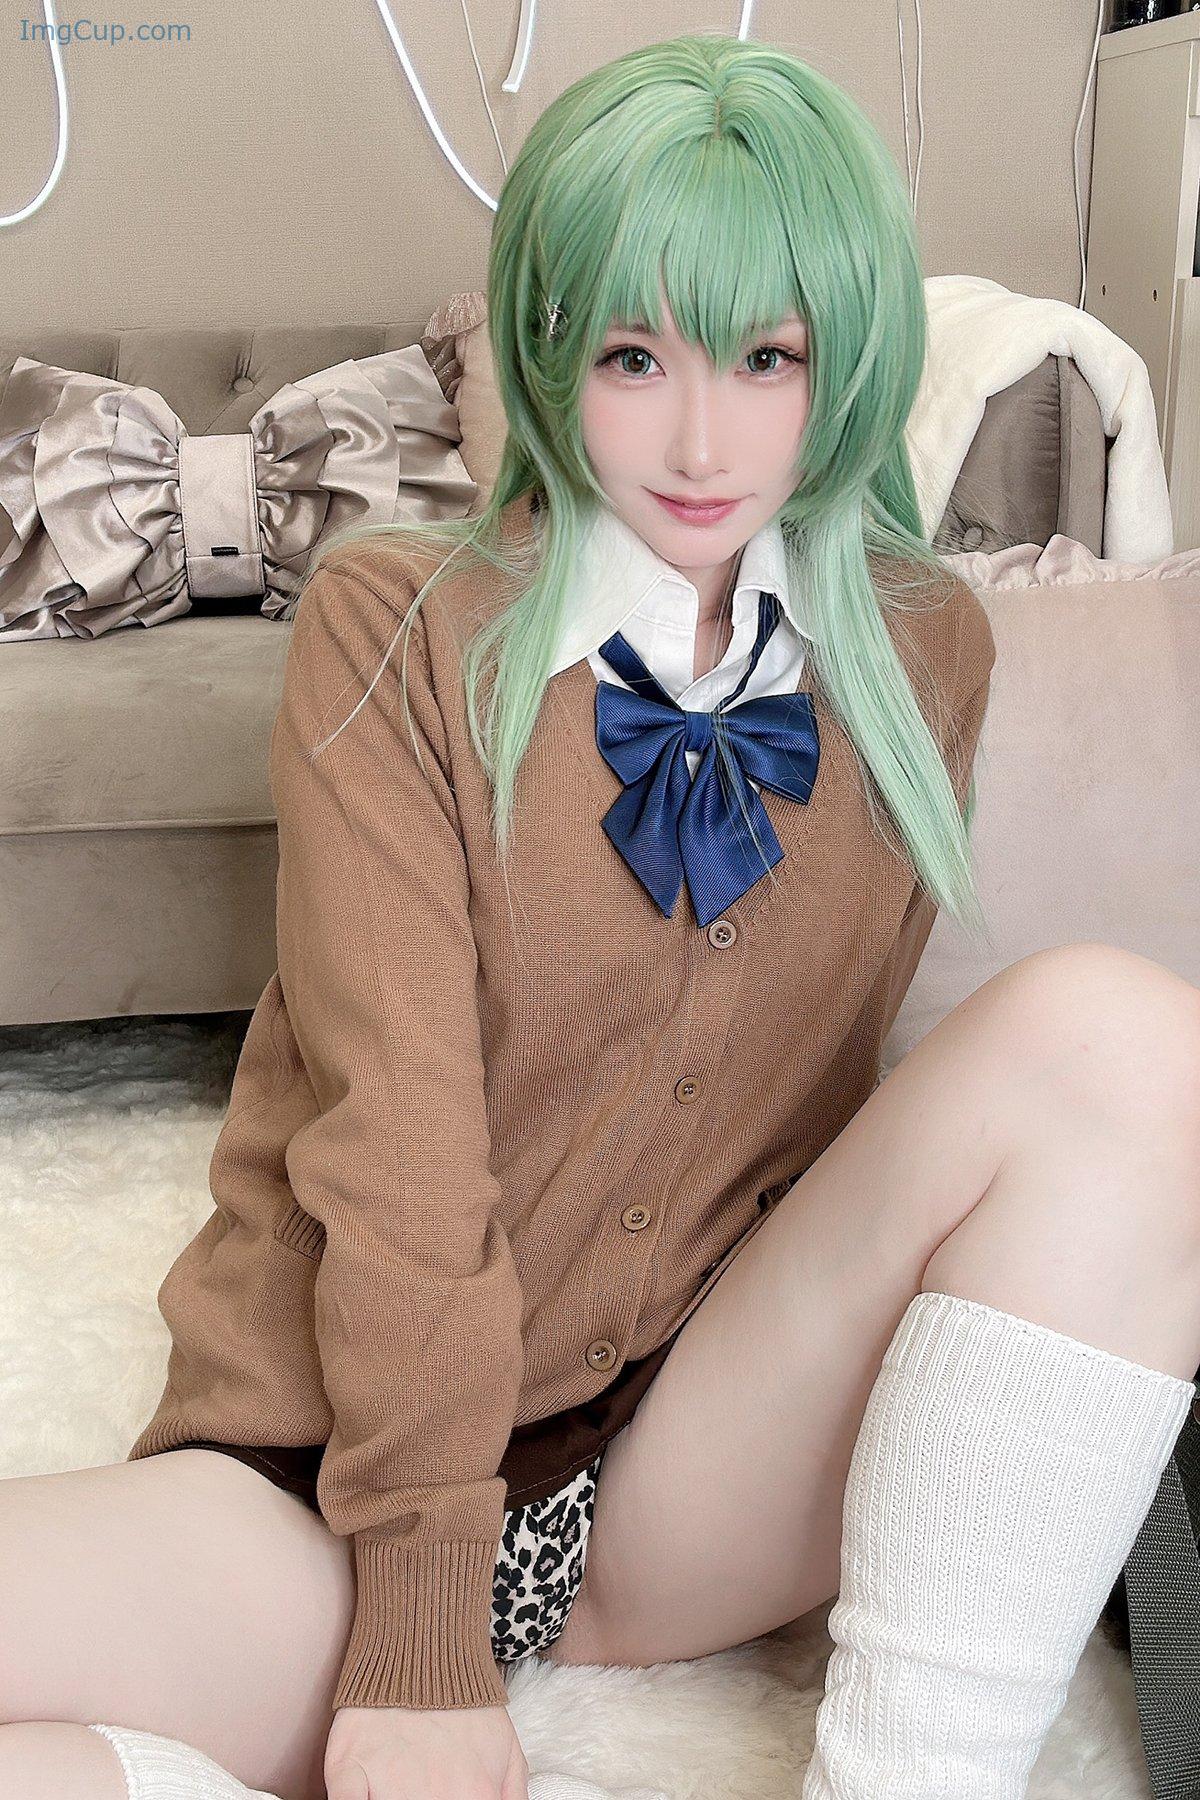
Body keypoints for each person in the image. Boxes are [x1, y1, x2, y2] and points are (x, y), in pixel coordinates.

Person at [4, 29, 1200, 1800]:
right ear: (554, 349)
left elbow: (820, 1099)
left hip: (676, 1468)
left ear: (846, 361)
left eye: (768, 357)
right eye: (635, 356)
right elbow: (399, 1152)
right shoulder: (397, 634)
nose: (702, 439)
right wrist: (422, 1655)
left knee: (1128, 1040)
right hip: (330, 1495)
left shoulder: (918, 645)